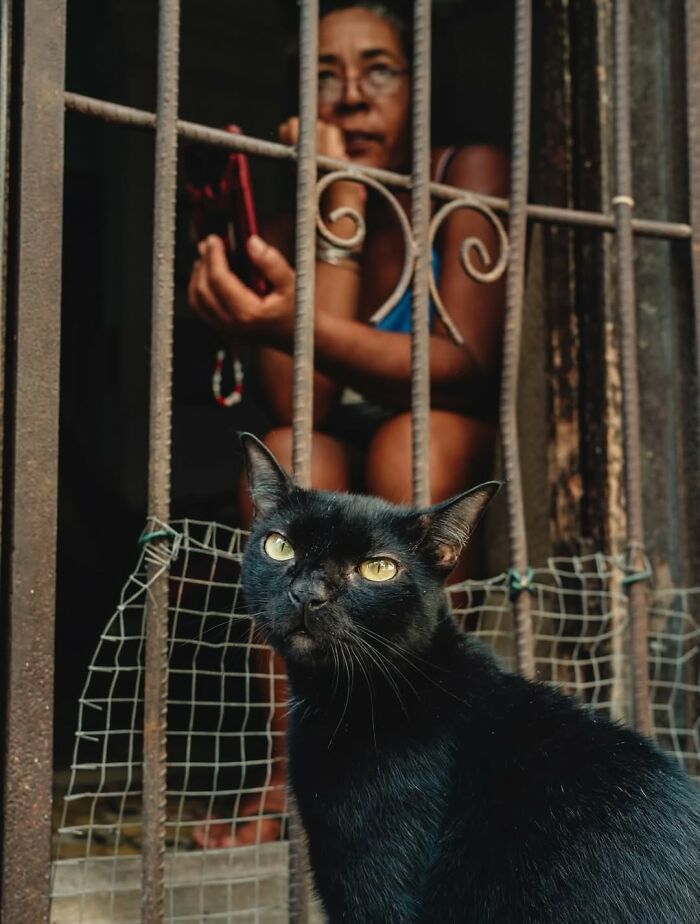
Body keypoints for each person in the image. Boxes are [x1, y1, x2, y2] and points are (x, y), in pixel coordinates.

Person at [188, 1, 508, 847]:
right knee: (292, 453)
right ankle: (287, 785)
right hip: (335, 431)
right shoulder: (296, 184)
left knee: (411, 442)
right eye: (324, 75)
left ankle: (425, 759)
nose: (353, 98)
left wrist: (285, 321)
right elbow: (307, 399)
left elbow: (464, 358)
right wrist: (335, 203)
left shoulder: (463, 169)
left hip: (430, 433)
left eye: (379, 70)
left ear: (420, 83)